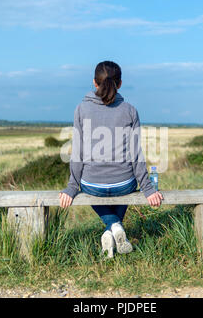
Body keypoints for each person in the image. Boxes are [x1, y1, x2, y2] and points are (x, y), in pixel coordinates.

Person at [59, 61, 163, 258]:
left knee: (91, 188)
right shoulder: (130, 110)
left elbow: (77, 153)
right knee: (124, 184)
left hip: (92, 185)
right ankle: (114, 227)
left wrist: (72, 187)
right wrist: (148, 189)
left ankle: (112, 226)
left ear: (94, 83)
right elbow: (136, 154)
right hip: (125, 184)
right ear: (120, 84)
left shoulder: (81, 109)